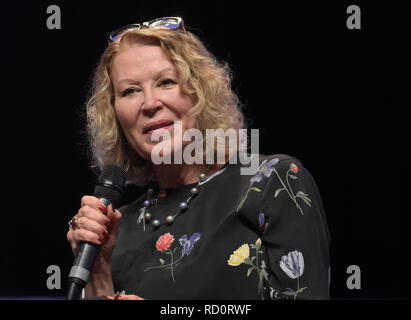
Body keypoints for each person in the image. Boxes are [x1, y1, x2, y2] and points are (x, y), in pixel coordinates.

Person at [66, 17, 331, 300]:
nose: (150, 103)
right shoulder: (116, 230)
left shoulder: (272, 182)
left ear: (201, 92)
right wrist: (98, 269)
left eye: (166, 82)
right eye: (130, 91)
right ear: (115, 114)